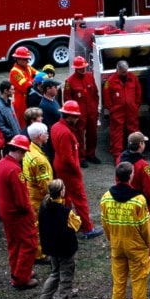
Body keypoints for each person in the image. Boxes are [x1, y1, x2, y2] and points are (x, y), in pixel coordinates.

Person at [100, 162, 150, 299]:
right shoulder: (138, 200)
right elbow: (146, 228)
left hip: (117, 246)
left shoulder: (105, 198)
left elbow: (105, 224)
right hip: (136, 248)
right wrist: (147, 245)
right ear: (131, 176)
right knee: (138, 284)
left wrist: (112, 239)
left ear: (117, 176)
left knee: (119, 282)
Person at [51, 100, 103, 240]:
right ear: (68, 116)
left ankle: (68, 224)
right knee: (80, 199)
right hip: (69, 171)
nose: (77, 119)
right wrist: (77, 171)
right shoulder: (66, 133)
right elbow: (68, 158)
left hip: (60, 168)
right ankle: (87, 228)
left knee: (65, 198)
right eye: (75, 116)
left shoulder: (56, 127)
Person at [0, 134, 38, 289]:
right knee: (29, 244)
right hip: (17, 214)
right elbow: (22, 200)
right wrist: (30, 213)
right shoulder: (15, 171)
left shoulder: (0, 164)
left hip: (5, 212)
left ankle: (18, 271)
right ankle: (21, 278)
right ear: (19, 151)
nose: (24, 156)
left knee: (14, 244)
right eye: (24, 153)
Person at [119, 132, 150, 272]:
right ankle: (148, 262)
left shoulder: (121, 159)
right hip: (143, 205)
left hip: (126, 200)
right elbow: (149, 190)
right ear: (140, 145)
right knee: (146, 234)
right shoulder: (143, 165)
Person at [38, 179, 80, 299]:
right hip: (65, 249)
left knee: (55, 273)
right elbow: (76, 225)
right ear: (61, 192)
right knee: (66, 276)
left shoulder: (44, 206)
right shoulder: (65, 212)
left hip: (51, 248)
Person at [23, 122, 54, 262]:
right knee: (38, 225)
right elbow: (45, 183)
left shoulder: (30, 150)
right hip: (38, 197)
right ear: (40, 136)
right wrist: (52, 194)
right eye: (46, 132)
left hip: (31, 193)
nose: (48, 135)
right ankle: (39, 254)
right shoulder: (39, 159)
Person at [103, 60, 142, 163]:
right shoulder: (110, 81)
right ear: (118, 69)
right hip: (117, 111)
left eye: (126, 71)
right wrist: (111, 109)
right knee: (116, 133)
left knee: (134, 132)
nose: (125, 73)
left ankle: (135, 153)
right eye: (123, 72)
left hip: (131, 110)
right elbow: (106, 98)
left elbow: (138, 92)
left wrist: (136, 105)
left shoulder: (133, 78)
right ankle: (118, 157)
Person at [64, 56, 100, 167]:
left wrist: (95, 108)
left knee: (93, 134)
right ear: (76, 68)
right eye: (80, 68)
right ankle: (81, 156)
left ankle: (91, 154)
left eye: (84, 67)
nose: (83, 69)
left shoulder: (90, 77)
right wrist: (72, 116)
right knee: (79, 136)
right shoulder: (69, 81)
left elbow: (95, 94)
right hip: (79, 115)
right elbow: (67, 99)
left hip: (91, 112)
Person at [9, 45, 37, 124]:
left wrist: (32, 80)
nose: (28, 61)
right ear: (18, 59)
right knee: (23, 123)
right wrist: (34, 81)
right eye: (25, 59)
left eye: (28, 59)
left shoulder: (28, 67)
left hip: (29, 100)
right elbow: (26, 87)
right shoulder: (14, 72)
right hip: (21, 102)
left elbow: (39, 75)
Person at [39, 79, 62, 165]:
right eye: (55, 87)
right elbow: (48, 126)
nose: (57, 88)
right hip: (54, 138)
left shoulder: (53, 100)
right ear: (48, 89)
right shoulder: (44, 105)